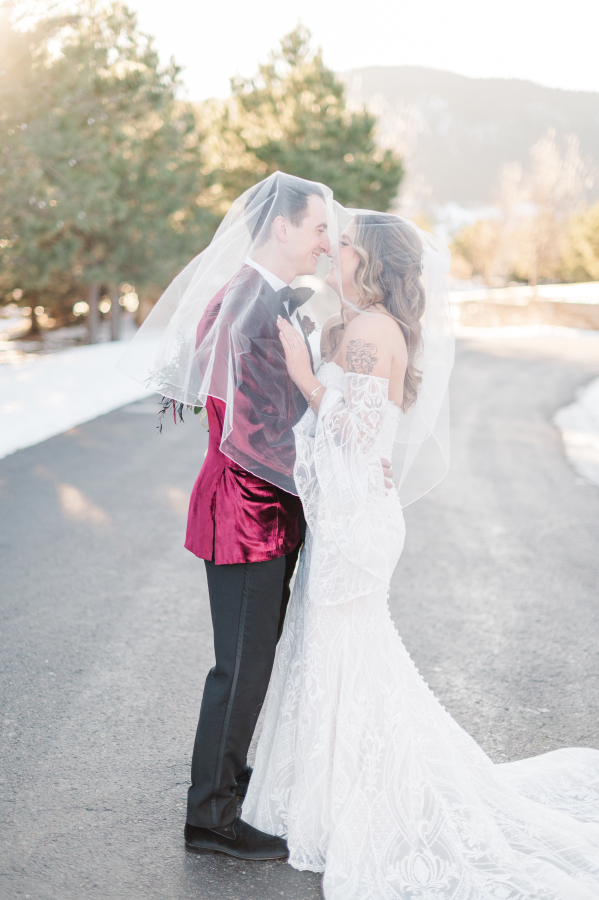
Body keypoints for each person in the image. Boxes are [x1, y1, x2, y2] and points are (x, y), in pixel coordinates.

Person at [242, 210, 599, 899]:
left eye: (343, 244)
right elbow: (359, 432)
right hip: (351, 512)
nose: (333, 249)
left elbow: (349, 428)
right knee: (339, 654)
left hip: (357, 523)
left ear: (370, 261)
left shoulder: (374, 329)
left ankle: (357, 791)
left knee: (347, 653)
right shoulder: (360, 326)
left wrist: (301, 373)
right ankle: (326, 786)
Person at [117, 173, 393, 860]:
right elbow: (254, 433)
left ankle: (227, 790)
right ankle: (210, 817)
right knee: (238, 667)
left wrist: (348, 443)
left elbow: (284, 418)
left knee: (253, 661)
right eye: (317, 228)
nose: (326, 242)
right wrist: (338, 462)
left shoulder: (265, 297)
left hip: (266, 511)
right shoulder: (248, 304)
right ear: (281, 228)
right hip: (246, 513)